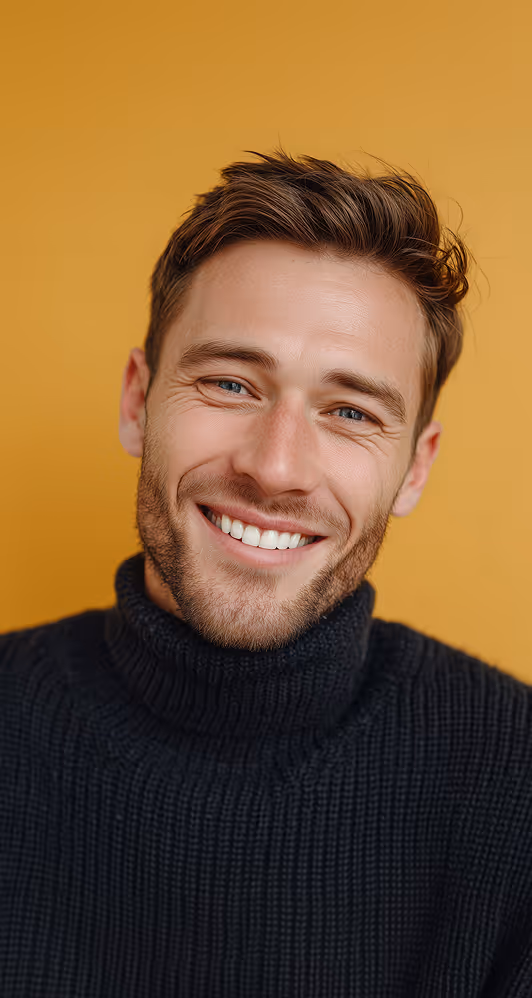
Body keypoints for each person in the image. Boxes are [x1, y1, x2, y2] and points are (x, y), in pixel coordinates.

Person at [1, 147, 531, 998]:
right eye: (231, 384)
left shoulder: (515, 780)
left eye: (350, 411)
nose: (276, 467)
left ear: (416, 467)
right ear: (138, 401)